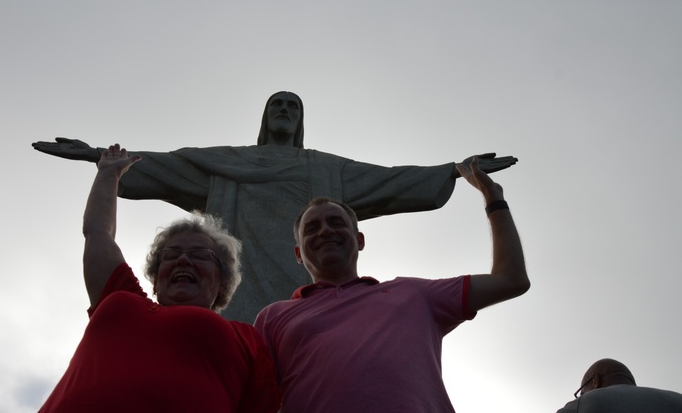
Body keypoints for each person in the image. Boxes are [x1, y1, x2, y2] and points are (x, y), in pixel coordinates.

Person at [32, 91, 517, 323]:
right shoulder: (227, 163)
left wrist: (454, 169)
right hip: (234, 280)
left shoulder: (327, 169)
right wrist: (101, 158)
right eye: (277, 106)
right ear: (265, 118)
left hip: (300, 283)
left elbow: (388, 180)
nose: (284, 111)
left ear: (300, 121)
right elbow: (166, 165)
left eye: (292, 107)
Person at [254, 156, 530, 413]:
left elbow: (510, 279)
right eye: (312, 228)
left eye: (336, 223)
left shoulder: (414, 294)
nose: (325, 230)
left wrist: (493, 200)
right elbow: (252, 397)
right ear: (298, 254)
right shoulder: (273, 317)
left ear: (360, 240)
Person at [38, 144, 279, 413]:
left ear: (223, 282)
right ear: (155, 278)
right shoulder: (121, 298)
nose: (183, 260)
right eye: (172, 254)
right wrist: (108, 174)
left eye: (199, 255)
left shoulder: (247, 339)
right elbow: (98, 234)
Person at [556, 358, 682, 412]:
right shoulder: (678, 399)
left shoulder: (587, 402)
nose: (581, 397)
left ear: (595, 380)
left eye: (582, 392)